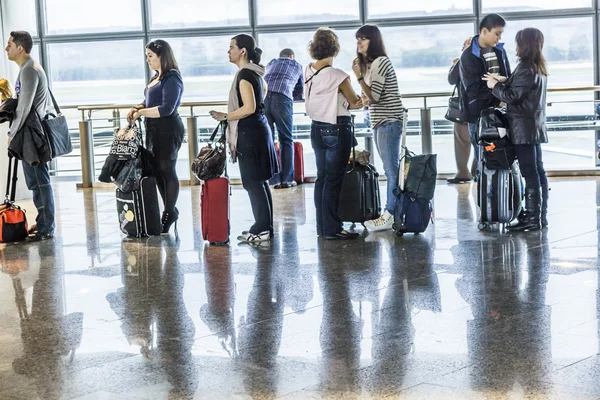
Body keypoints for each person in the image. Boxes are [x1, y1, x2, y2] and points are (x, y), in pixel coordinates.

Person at [209, 34, 278, 244]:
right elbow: (260, 99)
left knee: (253, 183)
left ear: (243, 51)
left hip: (249, 135)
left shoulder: (245, 75)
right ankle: (264, 226)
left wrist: (226, 116)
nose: (228, 51)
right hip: (258, 131)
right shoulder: (256, 74)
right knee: (259, 182)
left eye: (231, 47)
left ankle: (262, 228)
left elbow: (250, 107)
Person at [484, 28, 549, 231]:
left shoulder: (525, 66)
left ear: (524, 44)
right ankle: (540, 216)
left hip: (523, 128)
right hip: (534, 126)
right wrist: (505, 80)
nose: (516, 46)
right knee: (537, 170)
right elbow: (522, 89)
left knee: (530, 172)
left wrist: (494, 85)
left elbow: (512, 97)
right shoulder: (537, 66)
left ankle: (532, 219)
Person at [305, 27, 363, 240]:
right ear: (334, 49)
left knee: (322, 178)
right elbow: (355, 103)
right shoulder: (339, 76)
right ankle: (333, 228)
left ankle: (323, 227)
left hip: (317, 128)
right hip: (337, 128)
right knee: (334, 181)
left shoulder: (308, 71)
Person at [127, 40, 184, 235]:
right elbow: (149, 101)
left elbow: (167, 108)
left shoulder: (172, 77)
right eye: (147, 56)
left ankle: (169, 213)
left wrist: (142, 113)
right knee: (158, 171)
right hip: (154, 130)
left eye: (150, 56)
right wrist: (138, 107)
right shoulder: (158, 76)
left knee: (167, 170)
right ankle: (169, 210)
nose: (147, 60)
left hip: (168, 130)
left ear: (162, 57)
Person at [352, 24, 405, 232]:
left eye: (363, 38)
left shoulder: (381, 62)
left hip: (388, 121)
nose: (359, 42)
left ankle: (390, 214)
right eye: (358, 39)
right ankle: (392, 212)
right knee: (390, 169)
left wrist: (357, 76)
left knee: (391, 171)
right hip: (381, 121)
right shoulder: (372, 65)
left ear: (373, 40)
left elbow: (374, 97)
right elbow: (370, 97)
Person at [6, 31, 55, 242]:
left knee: (39, 181)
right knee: (35, 181)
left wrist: (12, 132)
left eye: (9, 44)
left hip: (32, 134)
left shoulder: (29, 70)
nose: (6, 48)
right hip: (30, 133)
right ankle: (44, 222)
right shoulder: (27, 68)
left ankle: (47, 227)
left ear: (20, 47)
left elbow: (25, 107)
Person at [460, 14, 511, 173]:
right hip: (479, 116)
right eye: (496, 33)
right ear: (484, 31)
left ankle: (504, 194)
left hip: (501, 113)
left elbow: (507, 78)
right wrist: (498, 98)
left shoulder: (500, 52)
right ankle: (486, 194)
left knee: (503, 154)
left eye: (500, 34)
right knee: (483, 158)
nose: (499, 37)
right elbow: (473, 90)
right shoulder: (469, 55)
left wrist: (503, 97)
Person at [264, 48, 304, 189]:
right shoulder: (296, 65)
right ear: (291, 57)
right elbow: (300, 90)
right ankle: (287, 179)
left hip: (264, 99)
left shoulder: (271, 62)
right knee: (286, 139)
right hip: (282, 98)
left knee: (269, 140)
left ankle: (274, 180)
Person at [447, 37, 476, 184]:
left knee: (478, 141)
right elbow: (452, 80)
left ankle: (475, 172)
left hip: (475, 109)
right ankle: (463, 172)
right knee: (461, 141)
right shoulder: (460, 62)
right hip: (463, 108)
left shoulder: (480, 60)